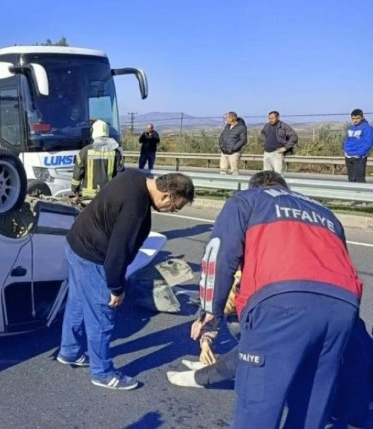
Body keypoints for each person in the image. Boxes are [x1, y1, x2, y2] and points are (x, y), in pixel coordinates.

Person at [193, 170, 362, 428]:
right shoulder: (326, 213)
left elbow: (219, 256)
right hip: (342, 306)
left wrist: (209, 311)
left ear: (255, 187)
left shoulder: (247, 200)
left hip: (281, 302)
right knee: (311, 405)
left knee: (259, 406)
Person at [57, 170, 195, 390]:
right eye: (176, 206)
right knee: (102, 317)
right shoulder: (136, 208)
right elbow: (117, 254)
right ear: (166, 195)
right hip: (93, 257)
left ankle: (70, 351)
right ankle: (102, 372)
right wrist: (116, 288)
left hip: (76, 244)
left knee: (78, 303)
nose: (173, 210)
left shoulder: (135, 177)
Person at [70, 120, 124, 199]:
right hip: (108, 194)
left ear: (93, 132)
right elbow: (120, 175)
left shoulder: (85, 151)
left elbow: (77, 173)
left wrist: (74, 188)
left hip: (88, 197)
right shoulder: (116, 152)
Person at [343, 108, 372, 183]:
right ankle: (352, 194)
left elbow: (368, 143)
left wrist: (359, 154)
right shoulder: (351, 128)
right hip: (349, 157)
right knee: (351, 178)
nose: (355, 120)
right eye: (353, 118)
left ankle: (362, 194)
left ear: (362, 117)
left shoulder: (367, 128)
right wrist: (345, 151)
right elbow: (347, 140)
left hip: (359, 157)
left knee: (359, 178)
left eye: (357, 118)